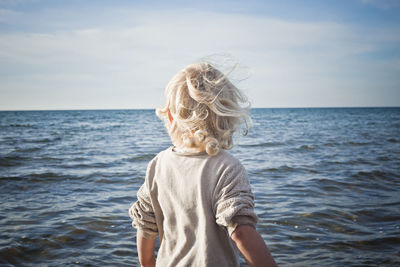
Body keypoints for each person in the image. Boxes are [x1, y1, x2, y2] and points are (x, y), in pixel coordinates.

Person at [129, 61, 277, 267]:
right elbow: (241, 232)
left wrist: (147, 263)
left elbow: (145, 224)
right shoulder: (227, 167)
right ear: (225, 114)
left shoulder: (157, 165)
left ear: (170, 116)